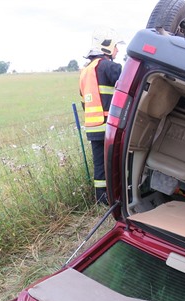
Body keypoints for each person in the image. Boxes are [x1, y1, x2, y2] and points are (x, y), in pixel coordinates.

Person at [79, 29, 123, 204]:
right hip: (109, 126)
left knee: (100, 165)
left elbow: (84, 102)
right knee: (115, 162)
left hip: (92, 126)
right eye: (116, 46)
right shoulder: (109, 66)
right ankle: (117, 197)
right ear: (106, 47)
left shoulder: (85, 71)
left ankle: (102, 200)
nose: (118, 51)